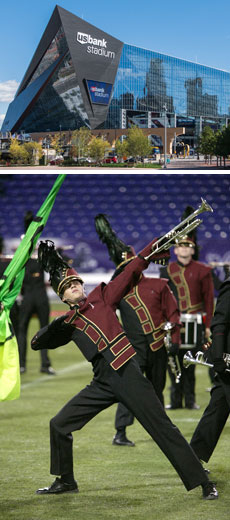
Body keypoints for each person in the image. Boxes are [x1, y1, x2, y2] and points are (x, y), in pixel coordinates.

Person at [31, 239, 217, 500]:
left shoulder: (102, 297)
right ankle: (66, 480)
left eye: (76, 283)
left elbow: (130, 271)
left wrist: (149, 251)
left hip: (128, 374)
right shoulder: (68, 324)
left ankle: (203, 483)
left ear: (83, 286)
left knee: (162, 428)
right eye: (67, 287)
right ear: (61, 296)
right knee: (59, 424)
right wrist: (61, 322)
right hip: (102, 382)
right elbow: (37, 343)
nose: (73, 287)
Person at [95, 213, 181, 447]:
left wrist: (175, 338)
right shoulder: (116, 291)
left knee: (157, 389)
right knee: (130, 389)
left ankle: (162, 431)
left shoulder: (159, 285)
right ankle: (120, 432)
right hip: (132, 347)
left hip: (157, 345)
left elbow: (173, 314)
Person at [160, 224, 214, 410]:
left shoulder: (203, 270)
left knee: (191, 361)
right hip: (173, 323)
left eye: (188, 246)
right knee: (172, 361)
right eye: (180, 246)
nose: (184, 249)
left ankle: (190, 400)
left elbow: (208, 299)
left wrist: (209, 325)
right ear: (175, 250)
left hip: (195, 321)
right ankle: (175, 401)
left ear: (193, 250)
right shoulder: (166, 270)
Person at [190, 273, 230, 464]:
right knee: (218, 407)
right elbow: (220, 323)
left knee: (217, 408)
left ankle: (193, 458)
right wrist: (219, 356)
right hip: (228, 358)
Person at [17, 211, 55, 375]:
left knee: (40, 331)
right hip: (34, 296)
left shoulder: (35, 252)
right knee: (26, 330)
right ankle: (26, 365)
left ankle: (35, 365)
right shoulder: (26, 251)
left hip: (34, 295)